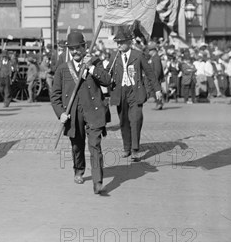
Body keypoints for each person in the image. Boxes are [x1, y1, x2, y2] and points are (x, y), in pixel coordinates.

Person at [51, 31, 112, 195]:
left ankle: (98, 182)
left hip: (93, 111)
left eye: (78, 48)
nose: (75, 51)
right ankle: (79, 170)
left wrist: (91, 67)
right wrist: (60, 113)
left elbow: (107, 81)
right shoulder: (63, 69)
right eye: (72, 49)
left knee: (95, 146)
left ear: (85, 47)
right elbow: (55, 95)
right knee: (77, 146)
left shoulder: (96, 63)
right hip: (73, 114)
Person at [109, 27, 162, 161]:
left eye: (122, 42)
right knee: (124, 122)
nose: (119, 45)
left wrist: (157, 89)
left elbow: (150, 73)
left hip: (135, 92)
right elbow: (105, 73)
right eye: (117, 42)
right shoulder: (114, 57)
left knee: (136, 120)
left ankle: (135, 149)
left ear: (130, 42)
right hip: (120, 93)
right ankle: (126, 148)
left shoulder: (138, 56)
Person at [145, 43, 165, 110]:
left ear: (154, 50)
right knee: (154, 91)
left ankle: (159, 103)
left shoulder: (156, 58)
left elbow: (157, 70)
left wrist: (155, 78)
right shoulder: (153, 58)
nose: (149, 52)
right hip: (153, 78)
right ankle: (159, 103)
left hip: (155, 78)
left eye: (150, 50)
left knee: (156, 91)